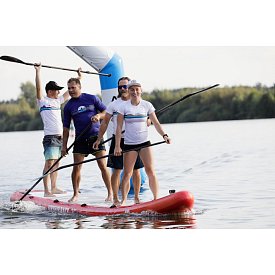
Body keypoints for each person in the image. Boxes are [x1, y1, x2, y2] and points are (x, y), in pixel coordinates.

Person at [114, 80, 171, 206]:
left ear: (141, 90)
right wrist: (117, 146)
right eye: (132, 89)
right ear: (128, 91)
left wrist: (164, 136)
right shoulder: (123, 107)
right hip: (129, 145)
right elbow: (118, 128)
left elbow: (156, 123)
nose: (135, 92)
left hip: (145, 143)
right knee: (127, 173)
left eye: (137, 89)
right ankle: (123, 201)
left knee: (150, 171)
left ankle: (156, 199)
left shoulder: (147, 105)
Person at [93, 76, 146, 206]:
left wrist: (149, 121)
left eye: (125, 86)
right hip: (118, 141)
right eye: (120, 87)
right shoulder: (114, 104)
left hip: (134, 141)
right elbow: (105, 123)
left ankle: (137, 198)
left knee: (136, 170)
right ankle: (116, 198)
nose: (123, 89)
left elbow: (147, 119)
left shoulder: (139, 103)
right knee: (116, 170)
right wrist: (99, 139)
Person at [61, 77, 112, 203]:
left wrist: (98, 115)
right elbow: (66, 128)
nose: (71, 90)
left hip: (96, 137)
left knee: (103, 166)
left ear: (79, 87)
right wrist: (63, 146)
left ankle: (110, 193)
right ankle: (75, 194)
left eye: (73, 87)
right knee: (76, 168)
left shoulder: (92, 98)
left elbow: (106, 112)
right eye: (69, 88)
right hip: (80, 139)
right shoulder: (68, 107)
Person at [34, 64, 79, 197]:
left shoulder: (57, 101)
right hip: (50, 137)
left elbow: (69, 93)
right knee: (49, 163)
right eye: (56, 90)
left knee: (57, 163)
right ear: (50, 91)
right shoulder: (42, 101)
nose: (59, 92)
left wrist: (79, 77)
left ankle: (54, 187)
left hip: (60, 137)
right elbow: (38, 88)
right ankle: (47, 191)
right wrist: (38, 71)